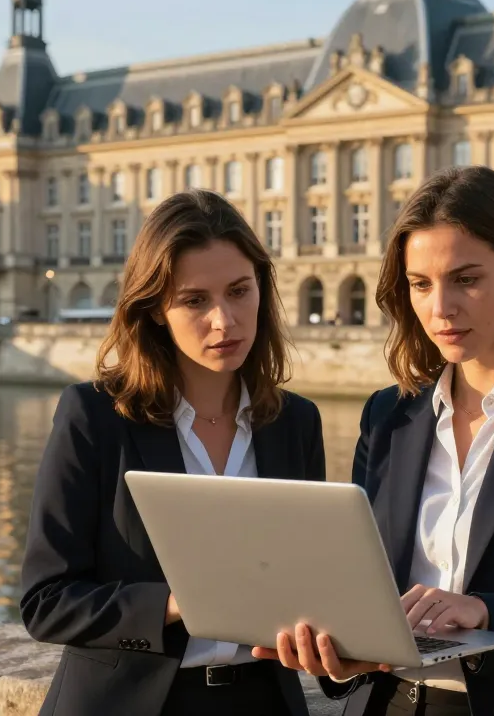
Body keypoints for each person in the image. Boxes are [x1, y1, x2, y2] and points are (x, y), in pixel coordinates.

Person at [253, 165, 494, 716]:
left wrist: (483, 611)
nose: (441, 308)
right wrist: (335, 649)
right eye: (420, 284)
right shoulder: (388, 415)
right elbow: (366, 591)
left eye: (466, 279)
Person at [19, 190, 323, 716]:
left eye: (239, 291)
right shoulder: (93, 417)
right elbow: (46, 602)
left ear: (262, 291)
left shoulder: (295, 423)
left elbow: (311, 584)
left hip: (264, 701)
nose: (225, 321)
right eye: (195, 300)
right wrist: (179, 603)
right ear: (155, 309)